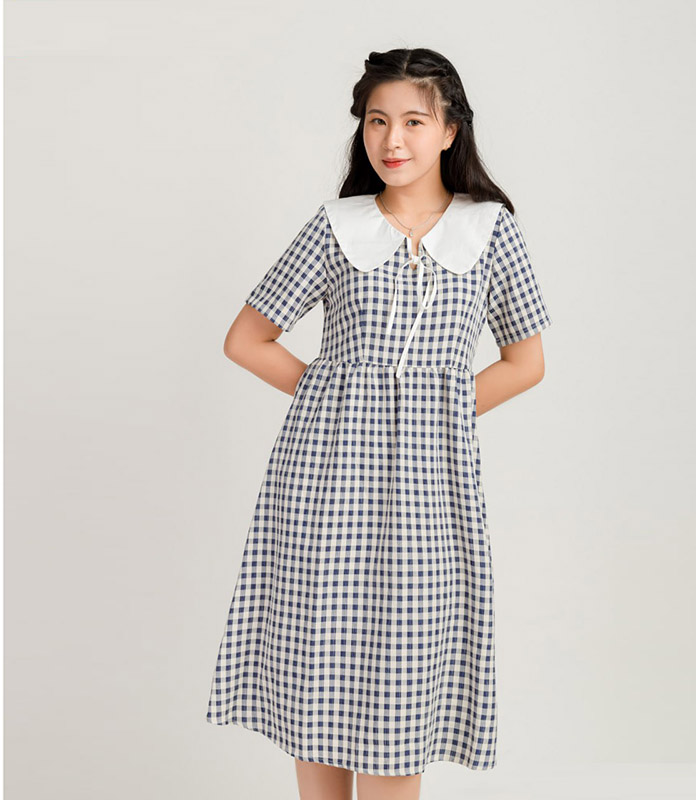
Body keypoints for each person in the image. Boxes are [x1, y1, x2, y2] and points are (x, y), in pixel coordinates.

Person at [206, 47, 553, 800]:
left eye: (413, 122)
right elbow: (246, 340)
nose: (392, 139)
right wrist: (335, 398)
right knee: (317, 671)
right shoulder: (337, 227)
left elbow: (526, 362)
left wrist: (438, 410)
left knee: (405, 679)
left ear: (450, 130)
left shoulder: (490, 232)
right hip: (322, 485)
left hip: (430, 491)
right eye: (376, 121)